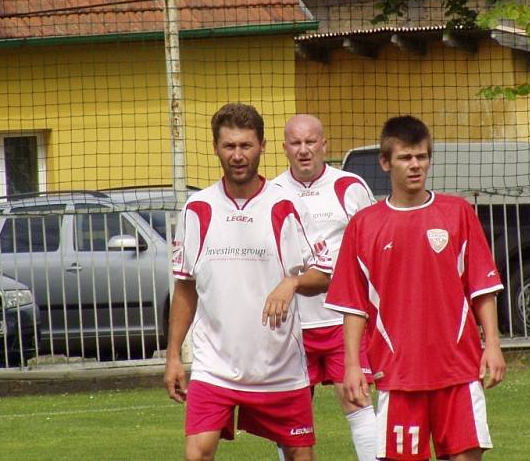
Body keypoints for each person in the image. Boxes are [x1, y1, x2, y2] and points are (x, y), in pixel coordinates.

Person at [325, 115, 506, 461]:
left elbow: (482, 288)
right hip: (398, 375)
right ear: (385, 162)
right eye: (405, 157)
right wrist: (352, 365)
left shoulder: (457, 213)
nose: (415, 166)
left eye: (421, 157)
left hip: (458, 370)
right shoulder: (364, 226)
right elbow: (353, 305)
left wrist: (493, 345)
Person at [163, 103, 332, 461]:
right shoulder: (198, 208)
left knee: (301, 455)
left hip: (280, 366)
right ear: (215, 148)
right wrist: (174, 355)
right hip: (216, 366)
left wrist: (292, 284)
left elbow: (326, 274)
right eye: (229, 146)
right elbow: (185, 287)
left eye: (246, 146)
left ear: (262, 146)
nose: (237, 155)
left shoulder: (286, 205)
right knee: (198, 453)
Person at [272, 114, 377, 461]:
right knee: (291, 421)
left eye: (311, 142)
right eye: (296, 143)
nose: (304, 150)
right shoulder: (271, 193)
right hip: (291, 327)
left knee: (357, 400)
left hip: (342, 322)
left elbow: (373, 252)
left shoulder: (351, 187)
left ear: (324, 144)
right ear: (285, 148)